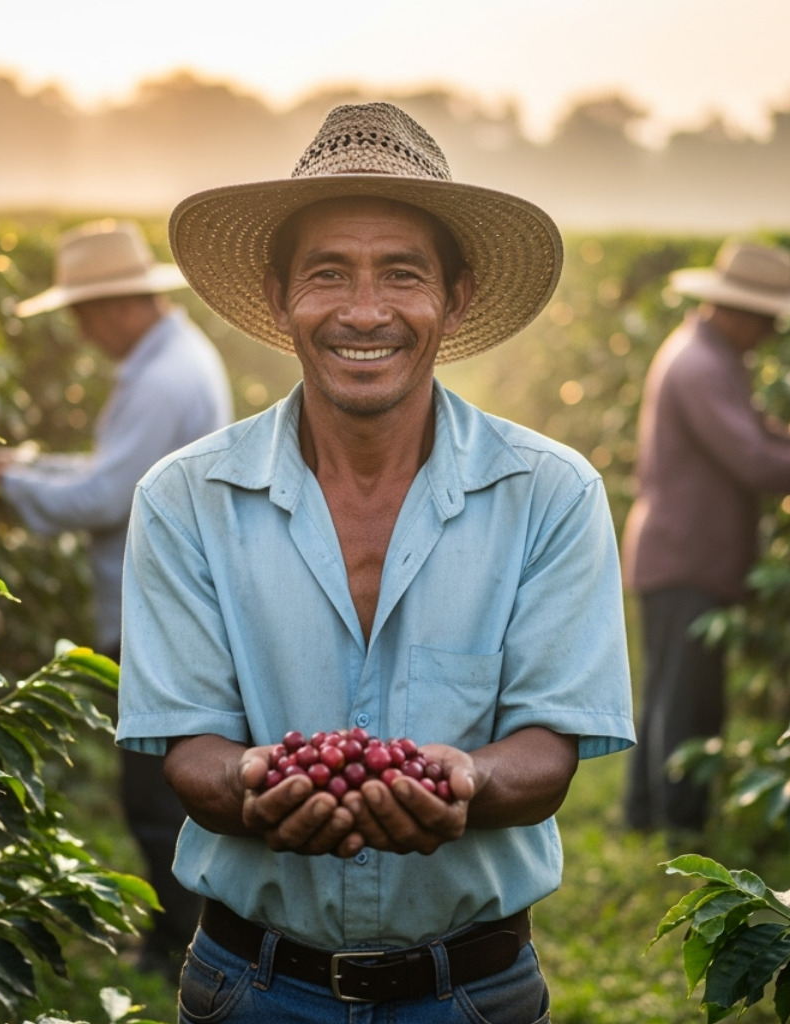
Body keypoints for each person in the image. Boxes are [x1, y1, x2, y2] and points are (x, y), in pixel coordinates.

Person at [114, 102, 634, 1023]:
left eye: (402, 274)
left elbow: (549, 751)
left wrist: (468, 782)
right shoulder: (184, 497)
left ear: (455, 298)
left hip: (470, 991)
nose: (364, 311)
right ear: (280, 298)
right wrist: (248, 785)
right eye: (328, 275)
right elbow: (188, 744)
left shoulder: (550, 493)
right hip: (251, 987)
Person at [0, 219, 232, 971]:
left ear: (117, 305)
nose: (83, 333)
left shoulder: (160, 378)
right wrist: (32, 462)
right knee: (162, 778)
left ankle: (182, 943)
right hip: (171, 601)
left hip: (158, 608)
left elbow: (107, 495)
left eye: (83, 315)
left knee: (154, 789)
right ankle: (187, 932)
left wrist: (12, 485)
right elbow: (117, 467)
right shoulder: (173, 360)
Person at [621, 240, 790, 833]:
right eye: (767, 317)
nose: (771, 331)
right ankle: (678, 823)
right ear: (737, 310)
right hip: (685, 556)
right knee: (689, 700)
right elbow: (754, 461)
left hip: (678, 553)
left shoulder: (709, 357)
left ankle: (646, 816)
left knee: (670, 692)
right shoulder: (700, 365)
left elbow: (762, 436)